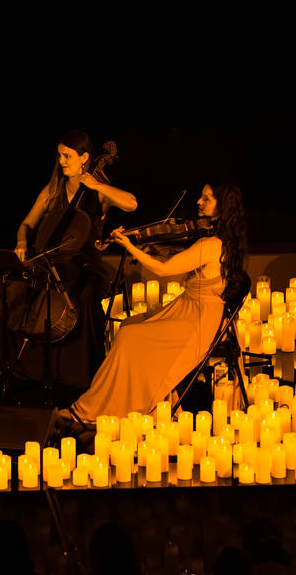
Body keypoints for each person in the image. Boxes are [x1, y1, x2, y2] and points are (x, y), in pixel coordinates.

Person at [59, 178, 245, 424]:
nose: (199, 202)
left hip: (197, 323)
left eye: (207, 198)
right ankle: (116, 400)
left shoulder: (211, 244)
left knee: (129, 337)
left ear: (223, 206)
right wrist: (150, 249)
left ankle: (98, 407)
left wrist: (130, 246)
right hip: (188, 310)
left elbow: (164, 270)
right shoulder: (216, 240)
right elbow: (180, 258)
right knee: (128, 326)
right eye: (201, 196)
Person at [0, 130, 137, 391]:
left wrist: (97, 185)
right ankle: (18, 369)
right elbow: (26, 224)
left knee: (86, 297)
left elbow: (131, 203)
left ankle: (82, 375)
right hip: (50, 264)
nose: (61, 161)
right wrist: (22, 242)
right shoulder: (54, 189)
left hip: (87, 265)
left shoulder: (98, 192)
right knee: (7, 289)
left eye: (67, 156)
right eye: (59, 155)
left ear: (84, 158)